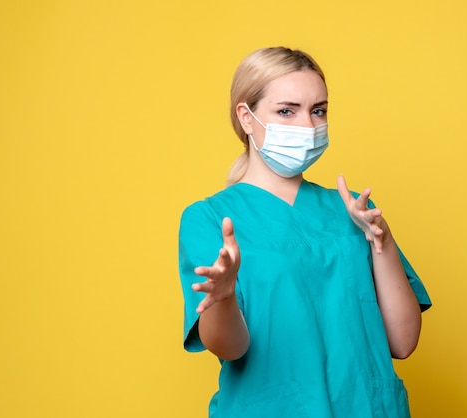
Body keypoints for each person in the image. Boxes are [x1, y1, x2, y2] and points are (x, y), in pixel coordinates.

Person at [178, 46, 432, 418]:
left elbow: (403, 342)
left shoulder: (351, 211)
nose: (308, 127)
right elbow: (229, 348)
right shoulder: (211, 218)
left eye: (319, 111)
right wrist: (224, 297)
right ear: (246, 117)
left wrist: (383, 242)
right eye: (286, 111)